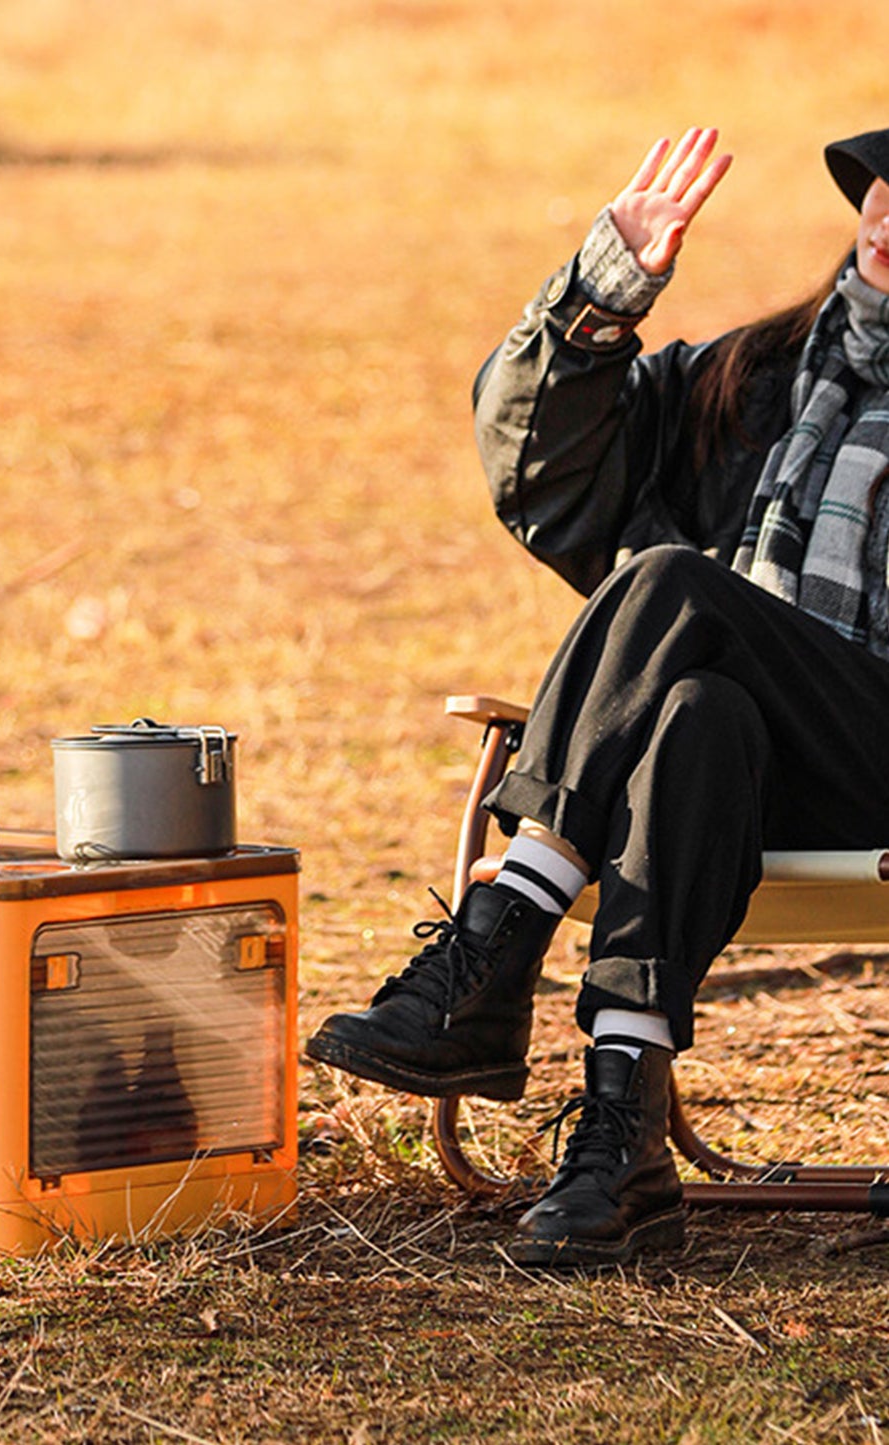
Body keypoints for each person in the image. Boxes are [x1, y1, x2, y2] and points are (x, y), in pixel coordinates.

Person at [307, 124, 889, 1266]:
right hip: (752, 781)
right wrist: (601, 296)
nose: (883, 213)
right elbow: (548, 475)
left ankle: (499, 934)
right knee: (692, 717)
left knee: (672, 583)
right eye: (880, 188)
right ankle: (621, 1141)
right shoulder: (753, 376)